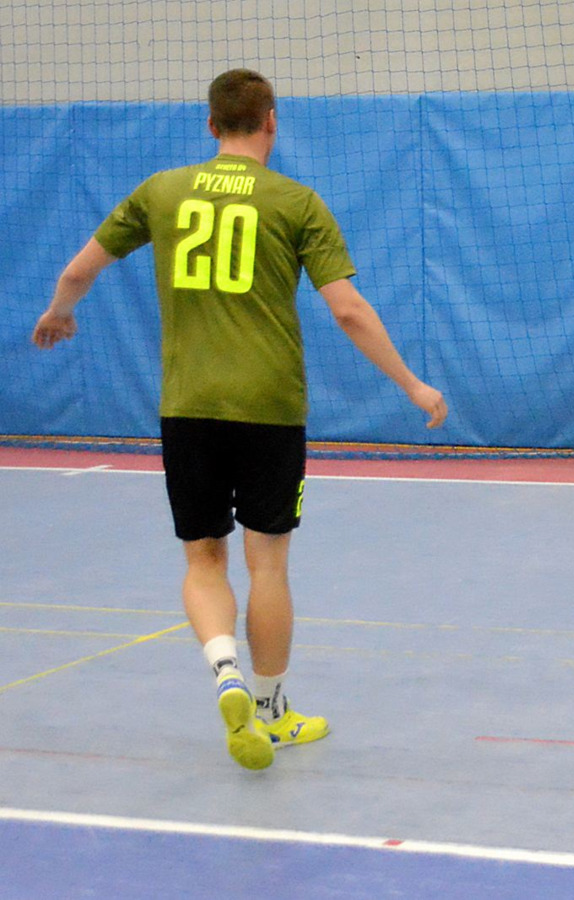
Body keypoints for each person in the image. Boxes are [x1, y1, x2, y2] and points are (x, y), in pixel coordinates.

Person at [31, 69, 448, 770]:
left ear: (210, 124)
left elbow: (78, 271)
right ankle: (270, 710)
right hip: (269, 409)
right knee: (268, 563)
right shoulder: (296, 202)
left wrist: (59, 312)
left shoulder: (161, 191)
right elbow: (348, 310)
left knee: (203, 558)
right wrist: (411, 385)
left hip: (188, 406)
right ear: (271, 121)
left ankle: (223, 667)